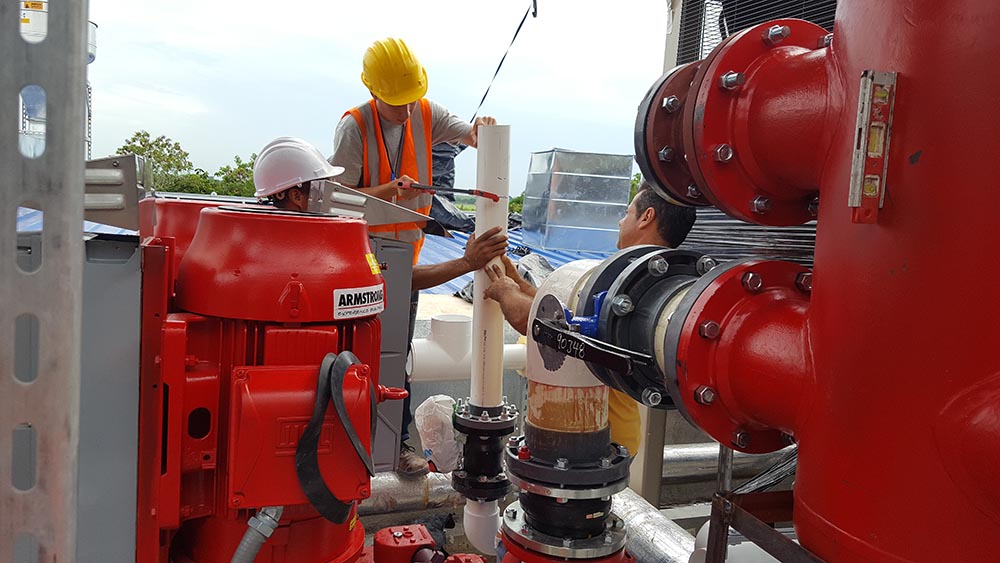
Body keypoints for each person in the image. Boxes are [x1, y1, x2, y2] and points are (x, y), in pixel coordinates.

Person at [330, 38, 501, 476]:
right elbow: (336, 202)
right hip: (359, 258)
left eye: (411, 99)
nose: (406, 111)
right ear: (374, 92)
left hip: (407, 253)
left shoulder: (426, 111)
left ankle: (395, 445)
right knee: (353, 354)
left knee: (395, 356)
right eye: (397, 103)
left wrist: (481, 132)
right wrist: (388, 191)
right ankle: (343, 444)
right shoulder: (355, 128)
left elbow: (471, 134)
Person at [483, 182, 697, 458]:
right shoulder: (647, 281)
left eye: (627, 212)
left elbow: (543, 326)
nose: (621, 221)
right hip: (607, 436)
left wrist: (505, 293)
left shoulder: (633, 289)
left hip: (594, 443)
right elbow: (559, 306)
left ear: (647, 217)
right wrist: (511, 274)